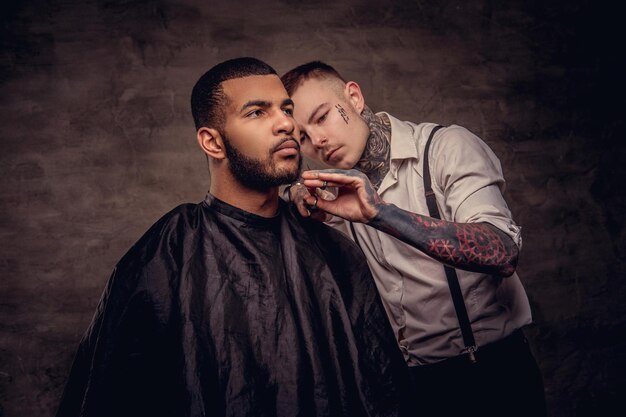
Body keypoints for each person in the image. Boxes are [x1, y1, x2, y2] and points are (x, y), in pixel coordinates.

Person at [55, 58, 412, 417]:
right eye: (257, 112)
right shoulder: (168, 253)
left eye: (286, 109)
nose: (286, 123)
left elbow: (382, 392)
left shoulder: (335, 251)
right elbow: (114, 395)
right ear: (212, 142)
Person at [281, 61, 547, 417]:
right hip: (411, 385)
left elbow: (501, 251)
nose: (317, 141)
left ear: (354, 97)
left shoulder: (445, 148)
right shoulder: (336, 187)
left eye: (322, 117)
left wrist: (381, 213)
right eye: (301, 136)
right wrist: (294, 191)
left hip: (491, 374)